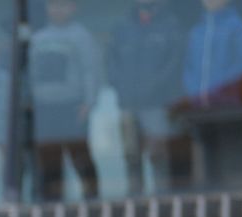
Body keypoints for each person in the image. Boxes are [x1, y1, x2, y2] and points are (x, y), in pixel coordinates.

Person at [108, 0, 188, 195]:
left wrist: (156, 87)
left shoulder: (171, 25)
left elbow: (175, 63)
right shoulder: (121, 26)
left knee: (158, 154)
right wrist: (121, 88)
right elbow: (110, 61)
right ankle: (134, 197)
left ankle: (163, 198)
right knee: (130, 154)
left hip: (156, 104)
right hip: (128, 103)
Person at [27, 0, 102, 202]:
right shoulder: (38, 38)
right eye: (53, 5)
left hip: (73, 106)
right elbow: (30, 74)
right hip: (44, 109)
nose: (58, 10)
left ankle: (92, 201)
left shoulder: (82, 36)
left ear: (73, 7)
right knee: (49, 161)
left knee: (80, 157)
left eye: (63, 5)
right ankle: (52, 206)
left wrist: (89, 102)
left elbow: (91, 71)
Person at [181, 0, 242, 187]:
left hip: (226, 107)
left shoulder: (237, 27)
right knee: (208, 162)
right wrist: (194, 92)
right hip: (202, 108)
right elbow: (189, 67)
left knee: (231, 160)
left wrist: (219, 88)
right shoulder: (197, 30)